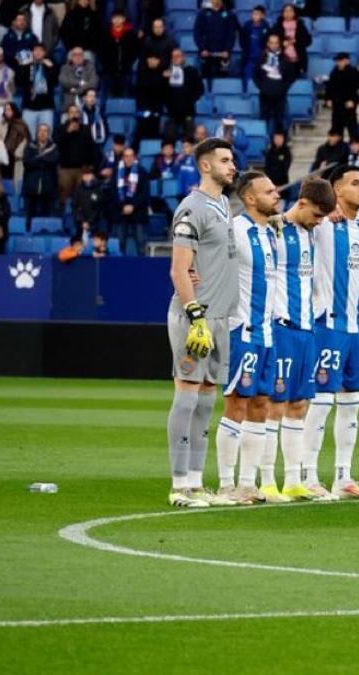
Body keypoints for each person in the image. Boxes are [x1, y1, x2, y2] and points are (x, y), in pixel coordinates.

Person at [165, 138, 239, 508]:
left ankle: (196, 483)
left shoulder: (224, 204)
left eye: (233, 159)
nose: (232, 166)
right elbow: (179, 269)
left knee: (207, 403)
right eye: (225, 160)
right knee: (187, 398)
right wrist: (196, 316)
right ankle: (179, 486)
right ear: (205, 166)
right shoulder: (191, 208)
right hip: (197, 318)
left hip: (220, 318)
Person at [296, 165, 359, 500]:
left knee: (351, 402)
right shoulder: (320, 224)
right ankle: (308, 474)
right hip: (326, 322)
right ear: (336, 190)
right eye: (354, 183)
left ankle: (343, 476)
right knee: (322, 400)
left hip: (355, 325)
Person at [258, 175, 336, 501]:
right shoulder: (273, 229)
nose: (320, 222)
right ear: (301, 202)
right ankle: (264, 481)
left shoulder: (312, 233)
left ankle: (292, 480)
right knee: (273, 405)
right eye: (317, 214)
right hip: (281, 327)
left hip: (307, 328)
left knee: (299, 404)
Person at [210, 171, 284, 505]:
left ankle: (247, 484)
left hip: (268, 333)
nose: (277, 195)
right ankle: (226, 484)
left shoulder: (272, 232)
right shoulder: (237, 230)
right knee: (236, 403)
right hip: (242, 330)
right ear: (250, 198)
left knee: (261, 406)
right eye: (269, 191)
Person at [254, 33, 296, 136]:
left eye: (276, 43)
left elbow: (291, 77)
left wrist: (283, 88)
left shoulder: (286, 59)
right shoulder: (261, 58)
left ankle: (279, 146)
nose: (273, 45)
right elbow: (255, 75)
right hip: (265, 94)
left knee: (279, 121)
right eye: (271, 43)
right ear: (268, 44)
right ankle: (264, 144)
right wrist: (262, 87)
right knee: (264, 120)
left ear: (279, 44)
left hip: (280, 95)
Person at [112, 146, 150, 255]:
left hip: (138, 212)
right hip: (121, 212)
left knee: (140, 243)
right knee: (120, 244)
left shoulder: (142, 172)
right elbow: (112, 192)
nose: (128, 158)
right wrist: (122, 206)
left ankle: (143, 268)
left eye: (131, 156)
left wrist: (133, 206)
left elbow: (145, 193)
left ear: (135, 157)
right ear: (122, 158)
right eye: (126, 156)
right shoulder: (117, 172)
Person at [325, 52, 359, 142]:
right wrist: (328, 99)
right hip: (336, 109)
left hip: (349, 109)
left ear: (347, 61)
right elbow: (329, 88)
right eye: (337, 61)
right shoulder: (334, 72)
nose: (338, 63)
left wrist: (354, 101)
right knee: (336, 134)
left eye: (340, 61)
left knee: (353, 135)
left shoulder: (354, 73)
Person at [194, 0, 239, 85]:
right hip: (206, 53)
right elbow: (197, 33)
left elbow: (231, 35)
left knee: (222, 81)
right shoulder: (203, 13)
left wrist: (227, 50)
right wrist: (202, 48)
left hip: (223, 55)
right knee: (205, 79)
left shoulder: (228, 14)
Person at [164, 49, 204, 143]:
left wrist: (190, 100)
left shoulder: (191, 71)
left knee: (190, 138)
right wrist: (164, 79)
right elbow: (161, 92)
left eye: (178, 56)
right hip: (172, 112)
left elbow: (200, 89)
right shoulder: (167, 72)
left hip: (188, 111)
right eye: (173, 57)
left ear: (183, 57)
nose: (175, 59)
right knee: (168, 138)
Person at [22, 122, 57, 224]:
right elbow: (27, 162)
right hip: (30, 190)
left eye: (45, 131)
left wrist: (37, 159)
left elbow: (53, 161)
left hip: (48, 190)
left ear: (49, 133)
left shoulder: (54, 148)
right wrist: (43, 160)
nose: (42, 133)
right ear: (37, 133)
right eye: (40, 130)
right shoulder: (29, 147)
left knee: (45, 220)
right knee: (29, 219)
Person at [101, 10, 139, 96]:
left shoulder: (131, 34)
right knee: (109, 95)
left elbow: (135, 51)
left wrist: (128, 63)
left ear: (124, 19)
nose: (117, 20)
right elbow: (102, 51)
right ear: (111, 20)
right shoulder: (105, 33)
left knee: (124, 95)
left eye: (120, 18)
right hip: (109, 70)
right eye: (115, 18)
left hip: (125, 69)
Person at [239, 5, 270, 91]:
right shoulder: (247, 26)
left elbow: (269, 41)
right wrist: (245, 49)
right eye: (254, 14)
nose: (255, 15)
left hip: (262, 58)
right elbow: (242, 39)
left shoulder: (266, 27)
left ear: (263, 15)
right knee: (246, 76)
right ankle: (245, 92)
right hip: (249, 57)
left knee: (262, 77)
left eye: (258, 14)